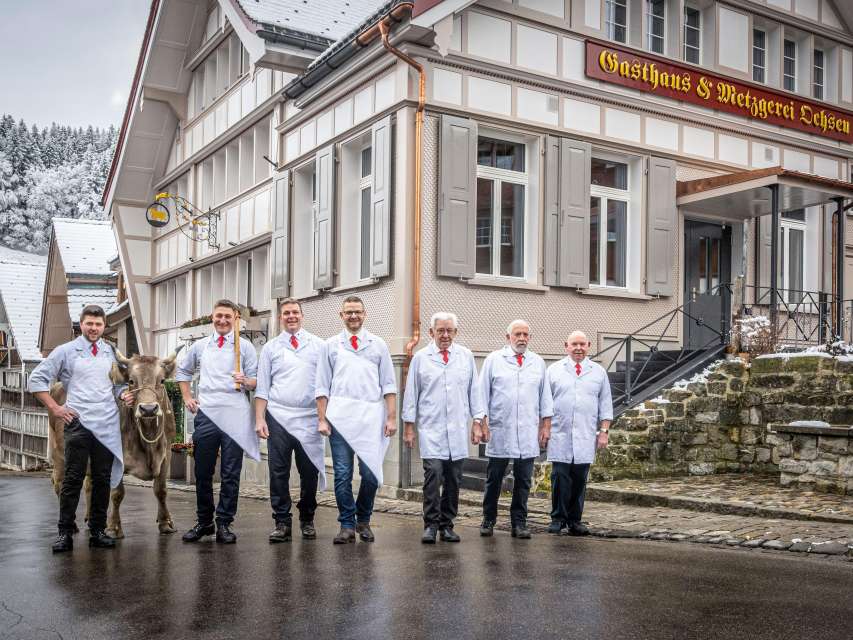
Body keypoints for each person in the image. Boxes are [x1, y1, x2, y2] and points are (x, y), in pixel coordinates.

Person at [29, 305, 130, 552]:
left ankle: (97, 530)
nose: (94, 328)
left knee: (102, 480)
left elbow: (116, 387)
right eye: (89, 324)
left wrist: (124, 394)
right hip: (78, 423)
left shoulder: (111, 353)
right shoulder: (66, 351)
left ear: (104, 326)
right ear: (81, 325)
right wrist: (55, 407)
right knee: (73, 479)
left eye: (98, 324)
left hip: (106, 424)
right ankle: (65, 533)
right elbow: (36, 379)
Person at [176, 299, 259, 544]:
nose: (222, 321)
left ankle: (224, 522)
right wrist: (188, 397)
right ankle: (204, 522)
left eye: (227, 317)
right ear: (212, 317)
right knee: (202, 471)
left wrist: (245, 380)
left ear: (236, 318)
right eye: (218, 316)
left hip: (235, 412)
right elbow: (183, 372)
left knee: (231, 472)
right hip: (208, 414)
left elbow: (257, 382)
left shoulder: (245, 347)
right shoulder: (200, 346)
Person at [316, 296, 397, 545]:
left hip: (371, 419)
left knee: (371, 474)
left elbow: (389, 384)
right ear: (341, 315)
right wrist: (322, 419)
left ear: (365, 314)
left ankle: (364, 518)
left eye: (357, 312)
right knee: (342, 474)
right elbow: (322, 386)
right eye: (349, 312)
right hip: (340, 419)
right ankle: (347, 525)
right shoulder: (330, 345)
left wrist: (391, 417)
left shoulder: (378, 344)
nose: (353, 316)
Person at [403, 312, 484, 544]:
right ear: (431, 332)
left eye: (450, 330)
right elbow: (411, 395)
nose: (445, 335)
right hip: (431, 430)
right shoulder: (421, 358)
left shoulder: (465, 356)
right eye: (441, 330)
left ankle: (447, 525)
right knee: (434, 474)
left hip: (458, 429)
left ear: (455, 333)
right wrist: (409, 428)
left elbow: (474, 392)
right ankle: (430, 524)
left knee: (453, 478)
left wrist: (477, 422)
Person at [255, 298, 325, 543]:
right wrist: (260, 419)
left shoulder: (319, 345)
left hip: (309, 417)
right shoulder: (271, 348)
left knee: (309, 471)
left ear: (302, 316)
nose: (291, 316)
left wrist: (324, 417)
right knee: (278, 471)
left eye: (295, 312)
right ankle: (282, 522)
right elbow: (262, 387)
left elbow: (326, 385)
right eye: (286, 313)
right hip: (279, 416)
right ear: (280, 317)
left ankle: (307, 518)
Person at [476, 320, 552, 539]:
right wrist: (482, 422)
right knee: (494, 478)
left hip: (528, 430)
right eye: (517, 334)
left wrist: (546, 426)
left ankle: (519, 522)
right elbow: (482, 394)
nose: (522, 338)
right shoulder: (493, 360)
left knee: (524, 479)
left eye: (526, 335)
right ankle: (488, 519)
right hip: (500, 429)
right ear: (507, 336)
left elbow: (545, 397)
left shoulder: (537, 362)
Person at [545, 330, 613, 536]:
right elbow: (545, 403)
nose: (578, 348)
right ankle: (557, 518)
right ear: (566, 346)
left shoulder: (598, 372)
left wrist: (604, 432)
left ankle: (575, 520)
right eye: (574, 344)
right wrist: (545, 428)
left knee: (579, 478)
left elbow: (606, 404)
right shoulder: (554, 370)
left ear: (589, 346)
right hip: (560, 433)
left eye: (582, 344)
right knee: (559, 477)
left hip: (585, 434)